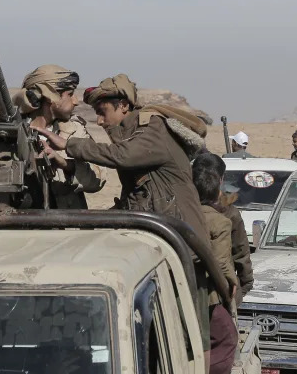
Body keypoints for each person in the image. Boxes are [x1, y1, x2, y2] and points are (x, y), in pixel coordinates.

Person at [36, 74, 210, 245]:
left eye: (103, 112)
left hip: (183, 242)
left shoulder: (153, 128)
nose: (99, 121)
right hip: (162, 239)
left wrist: (68, 144)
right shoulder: (131, 135)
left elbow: (122, 155)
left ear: (124, 105)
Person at [15, 64, 104, 208]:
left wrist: (66, 165)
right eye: (70, 94)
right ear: (51, 97)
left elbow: (98, 179)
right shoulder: (9, 134)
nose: (75, 101)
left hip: (68, 224)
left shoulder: (75, 130)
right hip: (21, 224)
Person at [190, 161, 239, 374]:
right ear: (218, 190)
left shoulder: (180, 214)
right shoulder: (220, 221)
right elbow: (221, 263)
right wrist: (231, 285)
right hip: (207, 293)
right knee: (227, 337)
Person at [195, 152, 255, 294]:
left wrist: (242, 287)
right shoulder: (229, 213)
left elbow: (240, 253)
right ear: (221, 180)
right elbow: (241, 253)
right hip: (218, 289)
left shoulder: (182, 208)